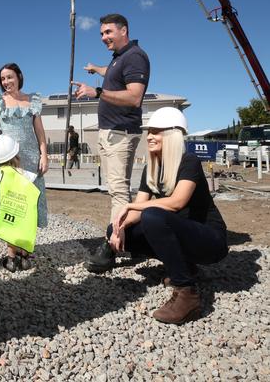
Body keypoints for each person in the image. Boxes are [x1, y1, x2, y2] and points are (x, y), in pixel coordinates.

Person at [87, 107, 228, 324]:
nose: (149, 136)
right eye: (149, 132)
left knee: (153, 216)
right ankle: (185, 266)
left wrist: (131, 207)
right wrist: (119, 228)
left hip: (209, 241)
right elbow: (140, 207)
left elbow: (177, 202)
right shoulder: (151, 169)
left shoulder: (189, 161)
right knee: (118, 228)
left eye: (156, 131)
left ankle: (186, 294)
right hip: (181, 233)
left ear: (172, 134)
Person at [73, 14, 150, 224]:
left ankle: (115, 244)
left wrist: (97, 92)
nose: (103, 37)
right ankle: (127, 237)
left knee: (118, 191)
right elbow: (113, 73)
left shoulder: (135, 56)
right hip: (110, 133)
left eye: (108, 32)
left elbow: (135, 97)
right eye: (101, 33)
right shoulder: (119, 58)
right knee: (115, 189)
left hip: (120, 133)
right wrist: (96, 69)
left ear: (123, 31)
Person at [0, 63, 48, 272]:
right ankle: (11, 254)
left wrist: (44, 154)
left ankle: (26, 251)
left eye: (9, 77)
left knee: (30, 202)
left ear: (19, 77)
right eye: (3, 79)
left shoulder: (33, 100)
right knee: (13, 202)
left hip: (31, 157)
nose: (6, 82)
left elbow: (39, 131)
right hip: (9, 157)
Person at [0, 134, 40, 273]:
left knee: (2, 228)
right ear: (16, 156)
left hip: (1, 215)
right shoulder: (25, 174)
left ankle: (1, 258)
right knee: (20, 228)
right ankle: (23, 257)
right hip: (22, 214)